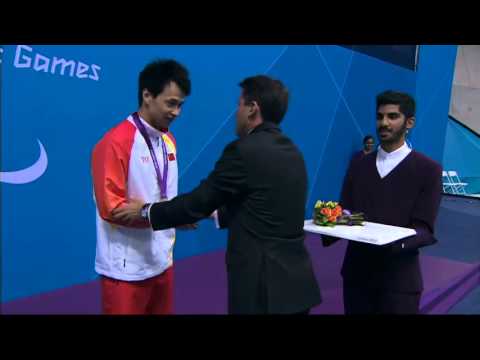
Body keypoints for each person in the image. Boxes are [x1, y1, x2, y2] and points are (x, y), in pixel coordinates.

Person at [113, 75, 322, 314]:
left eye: (239, 104)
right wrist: (214, 213)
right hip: (297, 289)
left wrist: (145, 210)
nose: (236, 112)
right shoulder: (294, 153)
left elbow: (199, 201)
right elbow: (263, 207)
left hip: (262, 291)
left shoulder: (244, 151)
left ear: (252, 109)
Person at [91, 59, 195, 315]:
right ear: (147, 95)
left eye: (181, 105)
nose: (177, 112)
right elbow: (112, 209)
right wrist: (163, 214)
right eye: (171, 103)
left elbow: (165, 199)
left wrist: (173, 215)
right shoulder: (115, 142)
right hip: (125, 272)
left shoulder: (169, 141)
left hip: (162, 263)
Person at [324, 90, 442, 314]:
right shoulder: (359, 163)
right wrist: (327, 222)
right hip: (357, 276)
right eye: (379, 117)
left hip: (399, 282)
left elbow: (424, 229)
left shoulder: (428, 170)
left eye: (392, 116)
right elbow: (347, 212)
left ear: (410, 122)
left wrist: (389, 241)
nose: (384, 123)